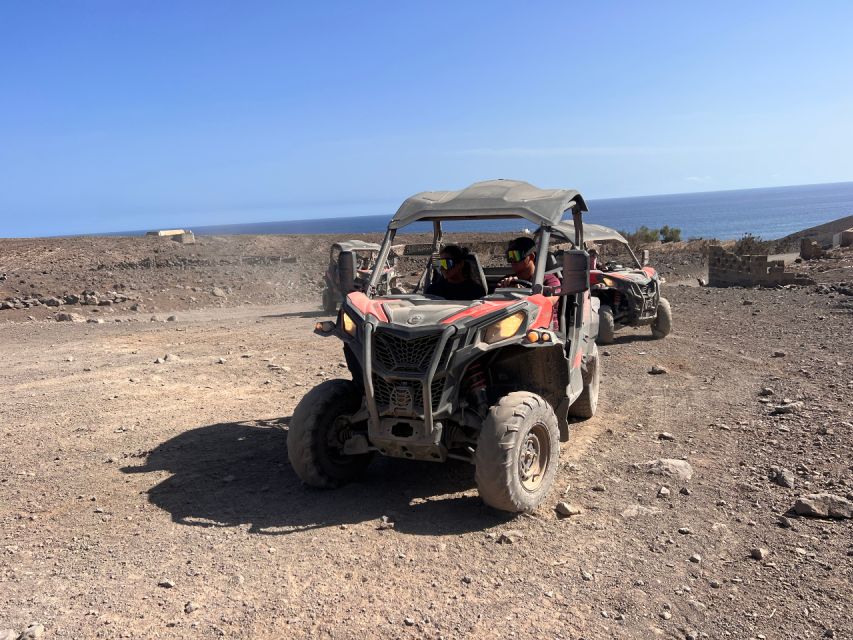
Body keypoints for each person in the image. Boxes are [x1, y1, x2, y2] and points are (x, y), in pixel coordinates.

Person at [498, 237, 560, 327]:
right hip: (512, 328)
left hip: (543, 330)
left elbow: (549, 301)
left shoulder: (550, 281)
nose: (512, 261)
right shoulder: (507, 281)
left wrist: (522, 294)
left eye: (515, 256)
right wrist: (505, 290)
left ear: (531, 257)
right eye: (510, 256)